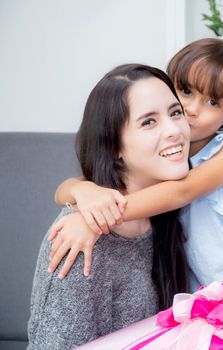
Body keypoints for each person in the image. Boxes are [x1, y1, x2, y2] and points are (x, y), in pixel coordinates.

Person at [50, 38, 223, 350]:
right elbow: (70, 185)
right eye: (187, 92)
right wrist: (83, 193)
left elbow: (184, 191)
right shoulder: (168, 152)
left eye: (212, 102)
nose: (191, 110)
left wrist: (98, 217)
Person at [28, 64, 192, 349]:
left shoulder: (170, 208)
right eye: (148, 122)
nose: (174, 130)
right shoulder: (80, 241)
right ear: (114, 145)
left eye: (175, 112)